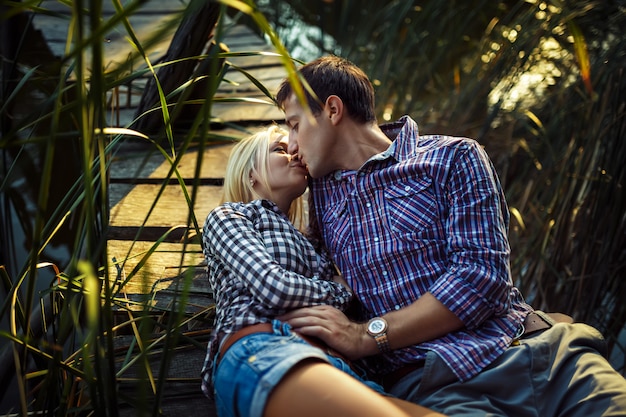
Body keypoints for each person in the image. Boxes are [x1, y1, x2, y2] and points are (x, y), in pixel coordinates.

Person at [275, 56, 626, 416]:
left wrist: (366, 337)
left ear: (332, 110)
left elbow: (480, 278)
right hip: (439, 387)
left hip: (540, 357)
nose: (291, 144)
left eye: (294, 125)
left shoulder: (454, 157)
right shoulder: (318, 196)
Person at [200, 125, 445, 417]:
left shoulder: (314, 241)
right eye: (279, 149)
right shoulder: (229, 217)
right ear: (250, 173)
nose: (294, 153)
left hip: (343, 367)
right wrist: (339, 289)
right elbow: (274, 287)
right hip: (266, 347)